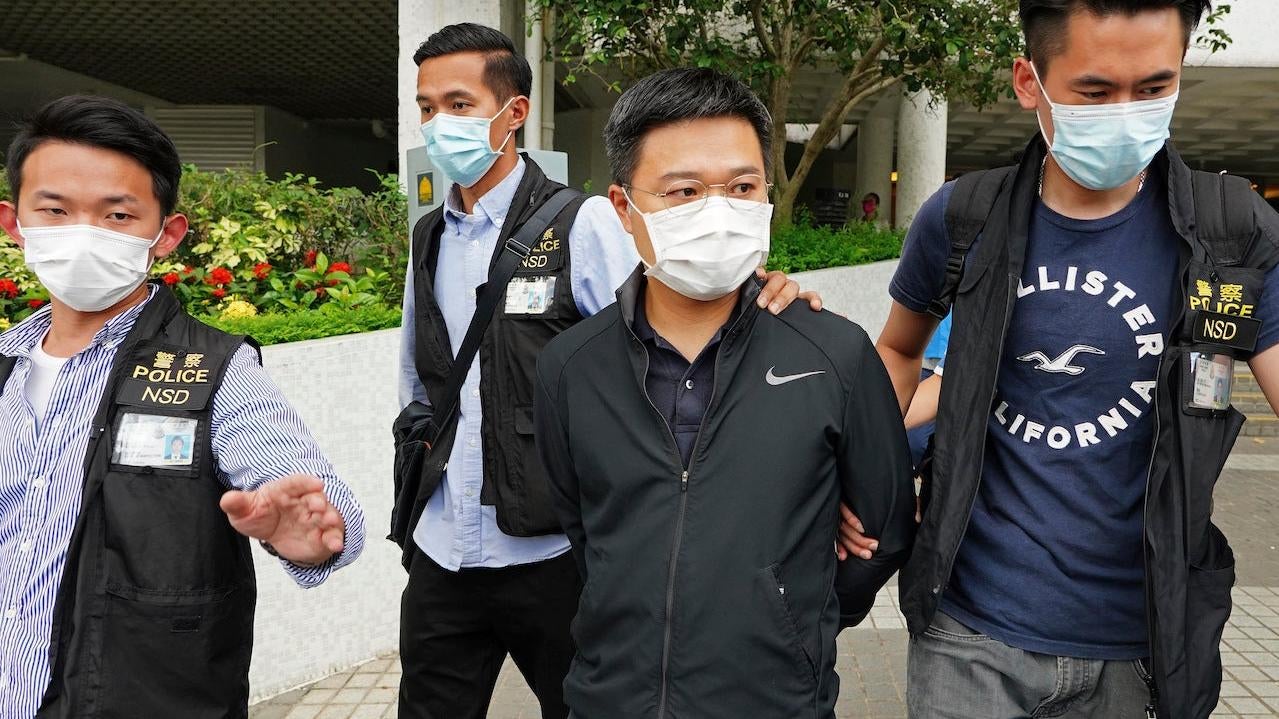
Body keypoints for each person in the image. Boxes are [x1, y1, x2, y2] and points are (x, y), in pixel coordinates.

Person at [841, 1, 1279, 717]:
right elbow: (897, 348)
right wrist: (858, 479)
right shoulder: (962, 216)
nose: (1126, 114)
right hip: (969, 631)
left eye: (1154, 87)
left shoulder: (1230, 232)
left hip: (1142, 641)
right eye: (1095, 91)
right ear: (1029, 82)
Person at [392, 24, 820, 719]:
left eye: (460, 105)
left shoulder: (581, 222)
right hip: (442, 549)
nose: (440, 123)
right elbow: (420, 376)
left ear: (514, 112)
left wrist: (759, 294)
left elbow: (659, 339)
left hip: (552, 553)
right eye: (427, 107)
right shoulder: (429, 235)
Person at [533, 67, 916, 719]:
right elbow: (582, 529)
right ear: (623, 208)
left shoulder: (833, 354)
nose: (718, 211)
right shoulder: (570, 366)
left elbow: (883, 528)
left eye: (742, 187)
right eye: (683, 191)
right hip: (610, 700)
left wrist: (796, 619)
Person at [0, 96, 366, 718]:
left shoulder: (215, 370)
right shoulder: (6, 366)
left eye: (117, 215)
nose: (83, 234)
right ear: (15, 223)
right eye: (55, 210)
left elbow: (312, 499)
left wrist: (307, 535)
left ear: (165, 235)